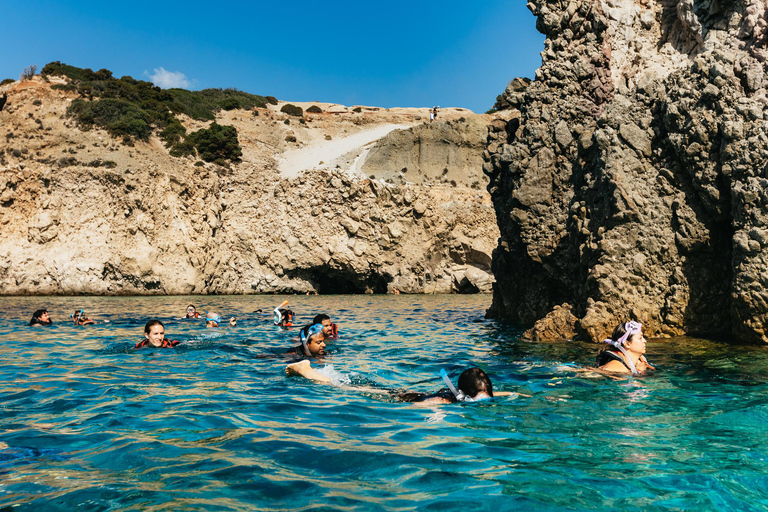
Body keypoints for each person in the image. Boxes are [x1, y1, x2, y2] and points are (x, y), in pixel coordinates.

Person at [286, 363, 515, 404]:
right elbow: (420, 406)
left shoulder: (480, 395)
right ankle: (305, 369)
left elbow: (497, 395)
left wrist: (516, 395)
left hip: (415, 392)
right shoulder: (444, 400)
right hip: (400, 397)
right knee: (343, 387)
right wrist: (438, 413)